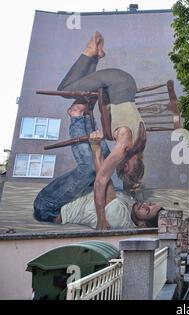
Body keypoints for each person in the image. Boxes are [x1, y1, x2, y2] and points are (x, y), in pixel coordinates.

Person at [56, 31, 146, 229]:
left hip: (123, 86)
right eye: (124, 168)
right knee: (64, 90)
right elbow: (100, 182)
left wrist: (95, 105)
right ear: (132, 163)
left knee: (79, 89)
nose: (120, 165)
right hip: (117, 81)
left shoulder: (139, 142)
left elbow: (108, 119)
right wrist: (101, 220)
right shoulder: (126, 144)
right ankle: (91, 51)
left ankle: (96, 54)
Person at [33, 106, 161, 229]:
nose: (145, 205)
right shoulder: (133, 204)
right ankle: (88, 117)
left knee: (89, 169)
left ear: (142, 225)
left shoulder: (119, 220)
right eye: (150, 204)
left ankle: (76, 115)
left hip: (50, 208)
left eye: (147, 210)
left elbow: (104, 180)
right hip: (80, 195)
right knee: (108, 165)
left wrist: (96, 147)